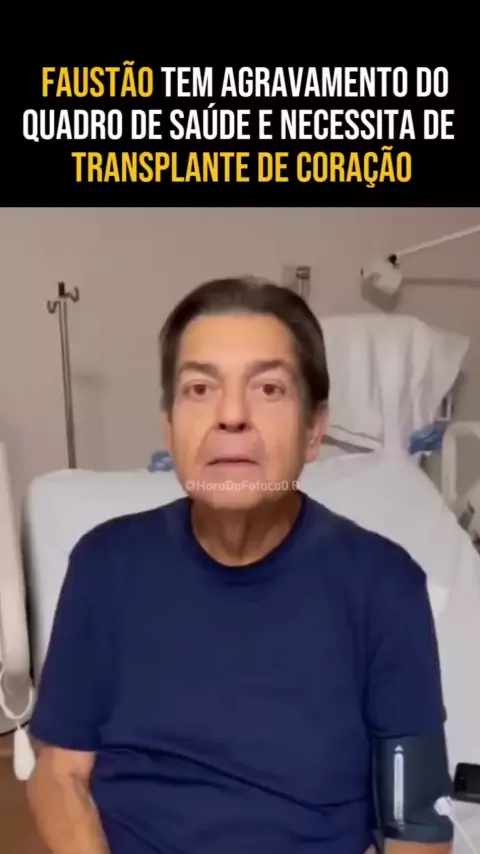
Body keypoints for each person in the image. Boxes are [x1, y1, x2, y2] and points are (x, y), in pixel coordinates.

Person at [27, 277, 454, 854]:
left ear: (314, 429)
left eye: (269, 388)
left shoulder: (383, 586)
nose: (231, 415)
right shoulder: (105, 566)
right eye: (200, 388)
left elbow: (416, 821)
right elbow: (59, 775)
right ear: (168, 426)